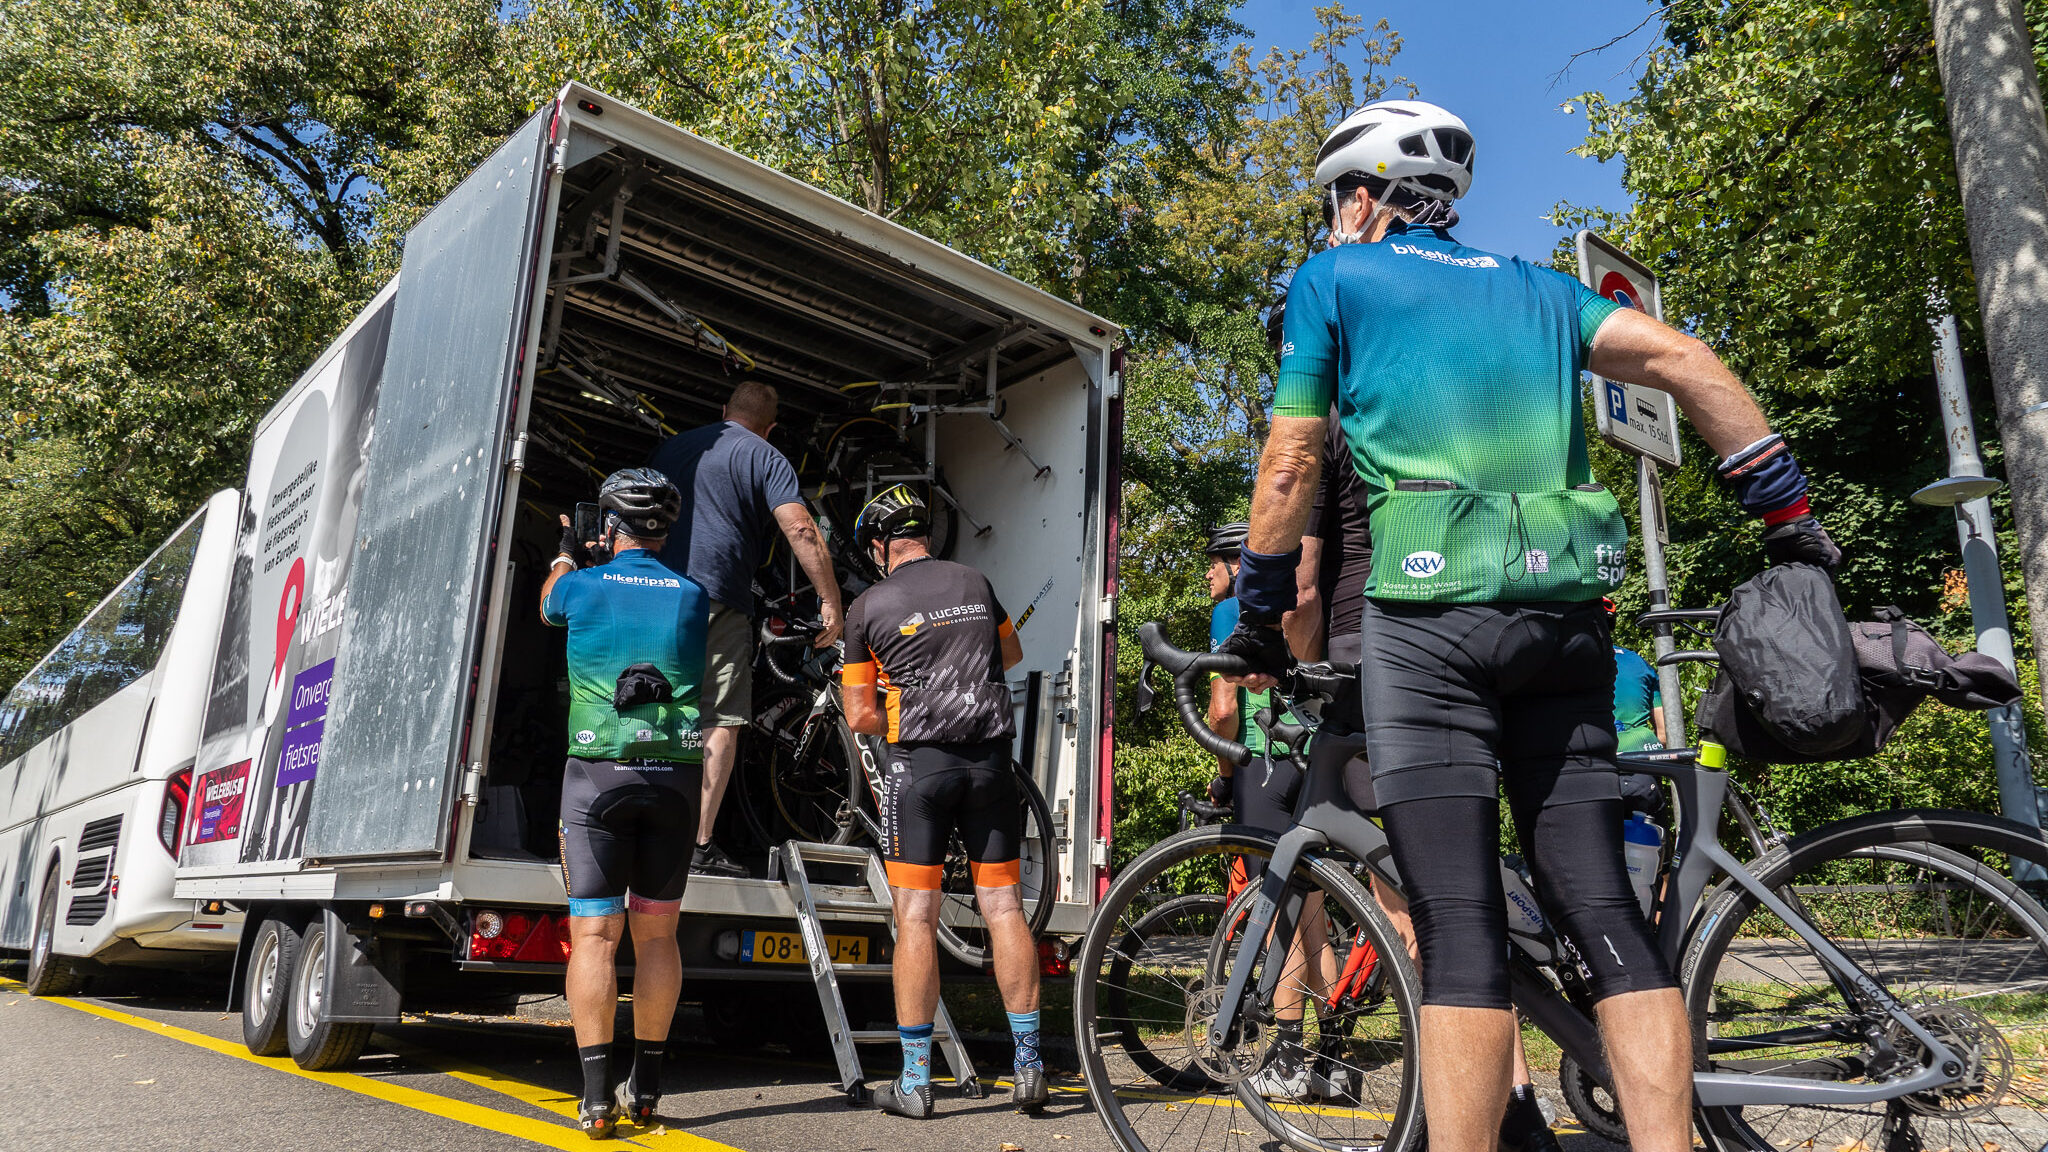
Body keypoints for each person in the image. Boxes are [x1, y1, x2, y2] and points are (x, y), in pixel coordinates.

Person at [1222, 98, 1840, 1152]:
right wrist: (1786, 516)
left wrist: (1257, 611)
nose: (1332, 220)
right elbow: (1688, 362)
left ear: (1362, 199)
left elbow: (1290, 460)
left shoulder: (1333, 279)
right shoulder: (1544, 289)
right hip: (1565, 622)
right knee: (1604, 913)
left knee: (1459, 926)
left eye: (1335, 203)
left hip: (1427, 623)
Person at [837, 485, 1047, 1119]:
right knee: (1004, 908)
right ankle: (1029, 1068)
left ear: (880, 545)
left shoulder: (868, 606)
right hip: (991, 764)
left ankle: (916, 1081)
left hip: (920, 770)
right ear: (925, 535)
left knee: (917, 918)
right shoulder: (974, 581)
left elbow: (860, 715)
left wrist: (910, 708)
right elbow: (1010, 653)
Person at [540, 468, 711, 1137]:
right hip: (674, 779)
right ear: (664, 529)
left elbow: (550, 605)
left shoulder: (581, 584)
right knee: (658, 935)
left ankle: (594, 1099)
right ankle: (647, 1089)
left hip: (597, 778)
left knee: (594, 936)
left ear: (609, 525)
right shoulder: (693, 595)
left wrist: (566, 552)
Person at [647, 380, 843, 878]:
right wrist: (829, 598)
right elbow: (800, 527)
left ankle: (636, 825)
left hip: (651, 596)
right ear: (770, 428)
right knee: (720, 717)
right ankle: (697, 844)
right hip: (716, 599)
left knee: (645, 701)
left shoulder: (672, 448)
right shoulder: (766, 456)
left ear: (724, 410)